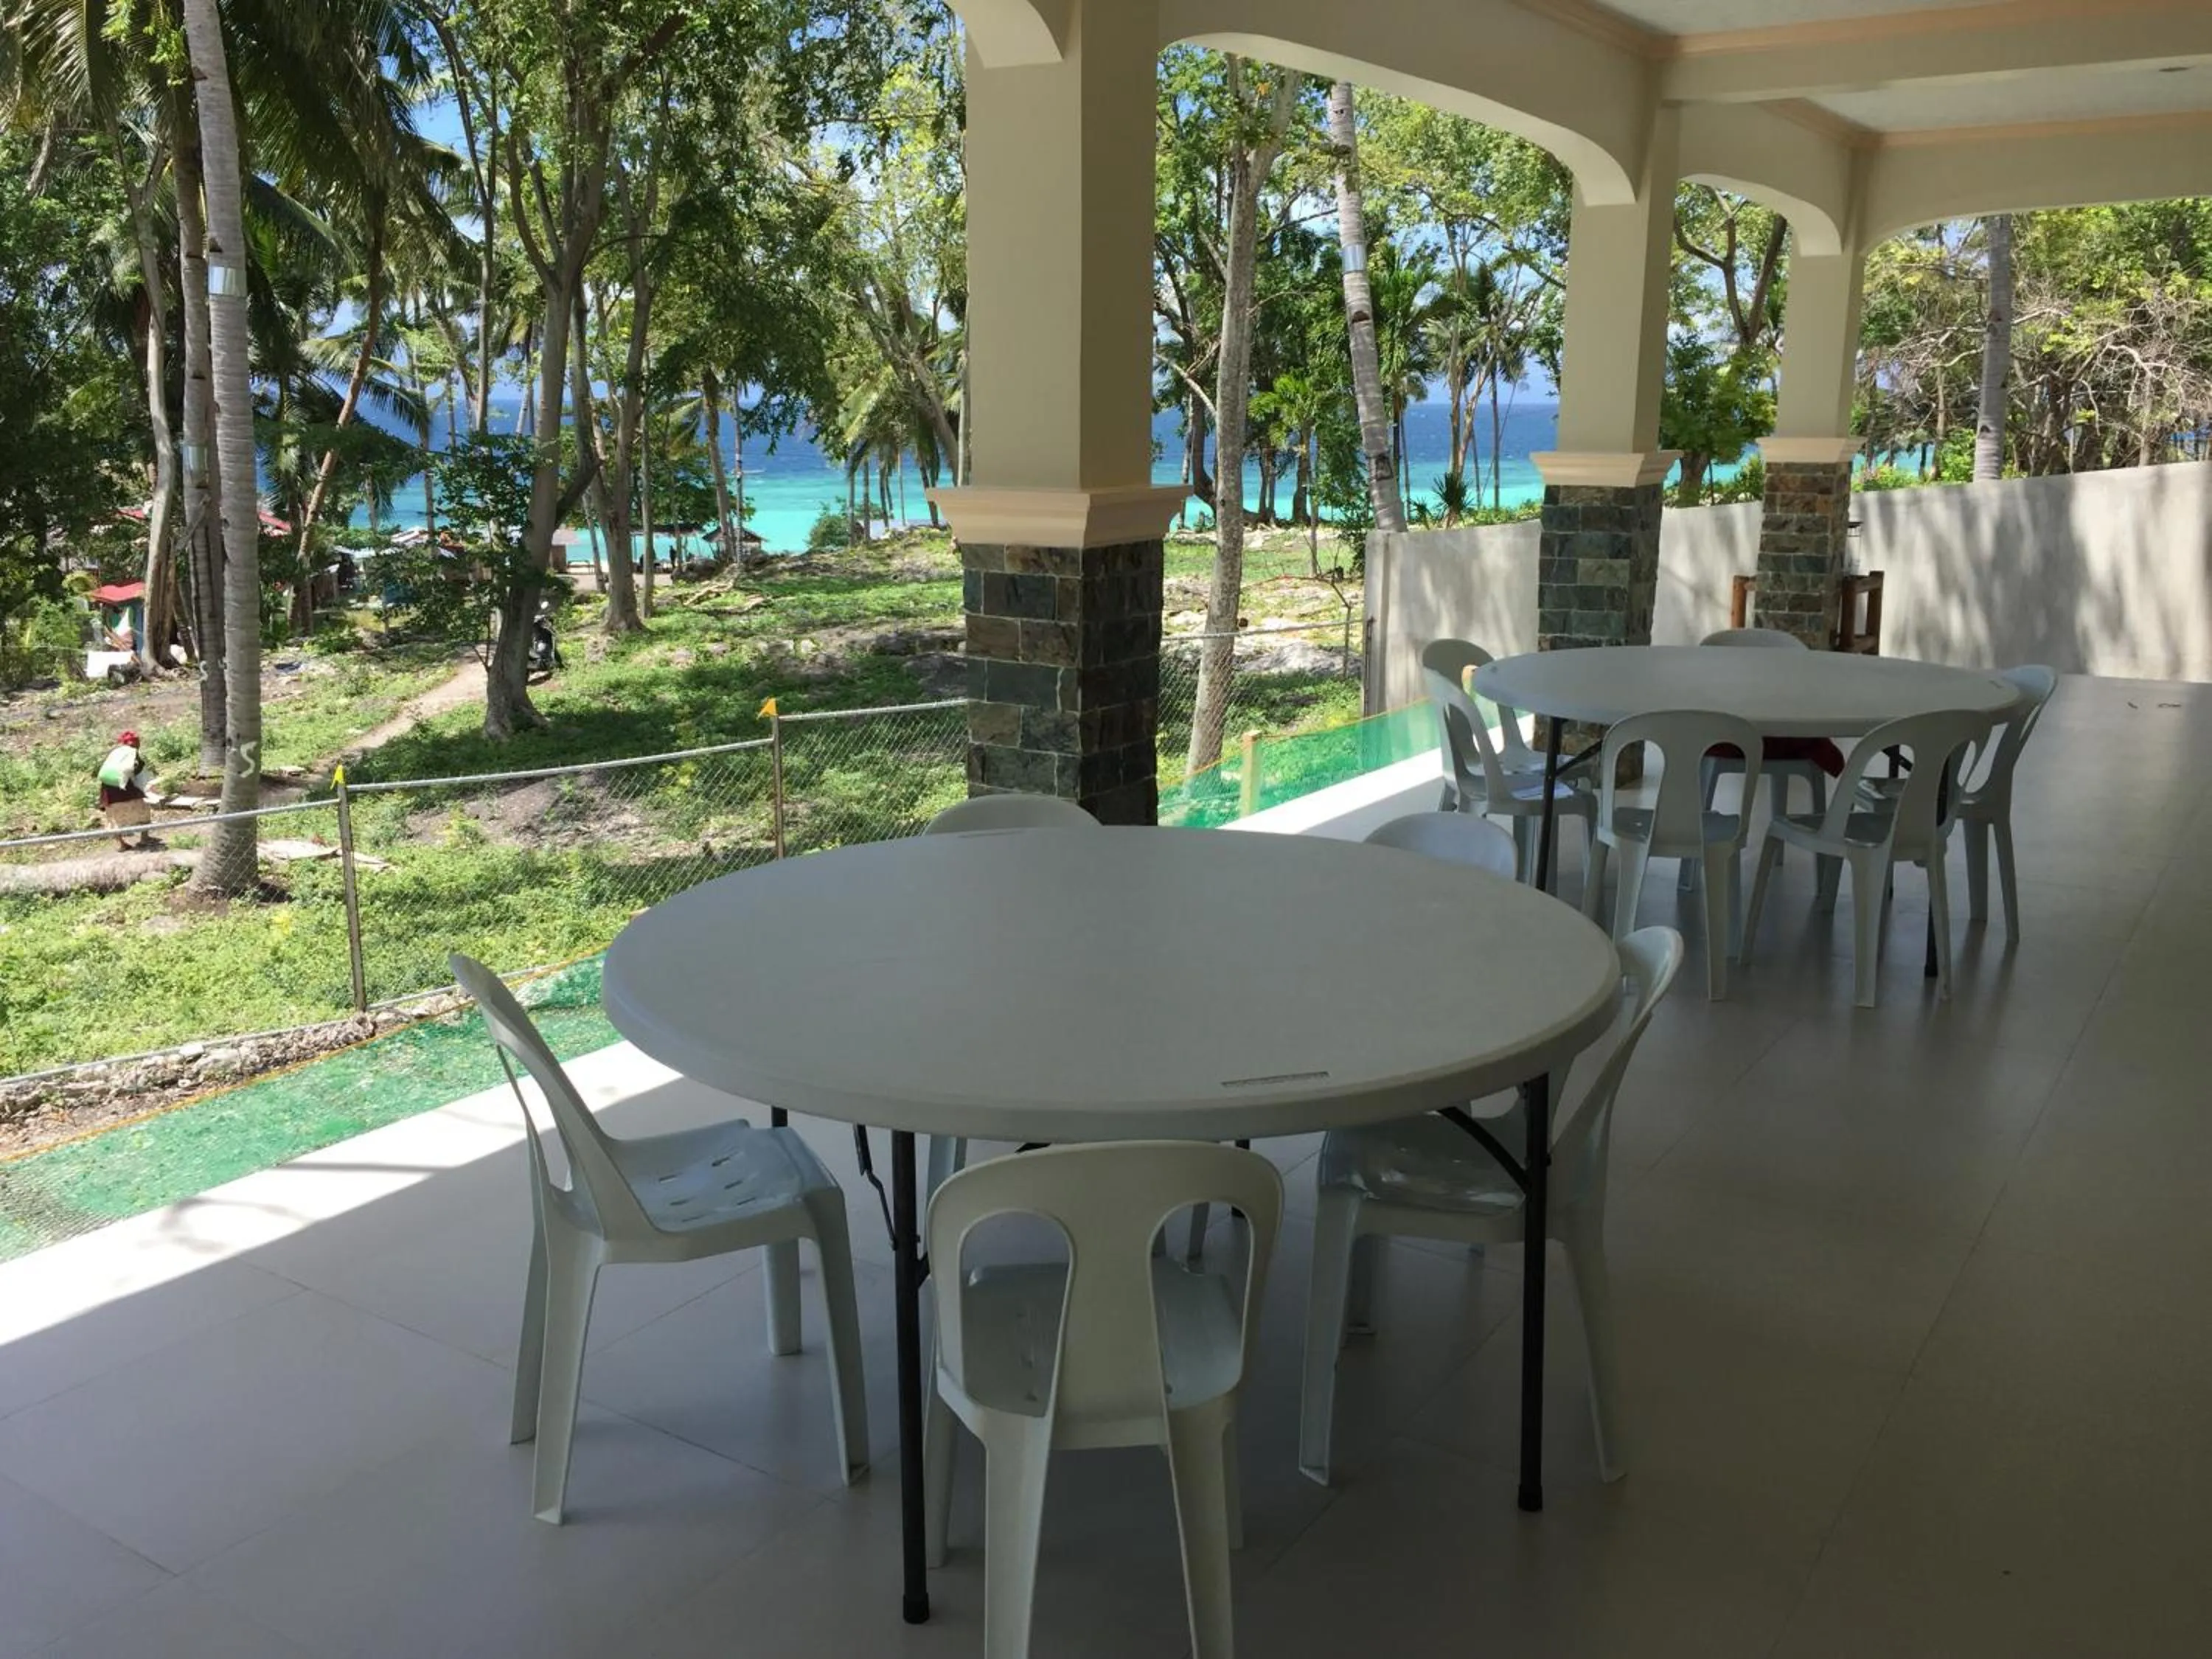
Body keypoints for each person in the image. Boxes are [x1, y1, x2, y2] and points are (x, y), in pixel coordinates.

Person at [97, 731, 155, 851]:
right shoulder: (133, 753)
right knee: (143, 811)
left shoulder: (115, 752)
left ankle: (122, 844)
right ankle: (144, 839)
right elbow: (137, 769)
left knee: (113, 818)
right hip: (126, 789)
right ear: (136, 743)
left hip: (109, 791)